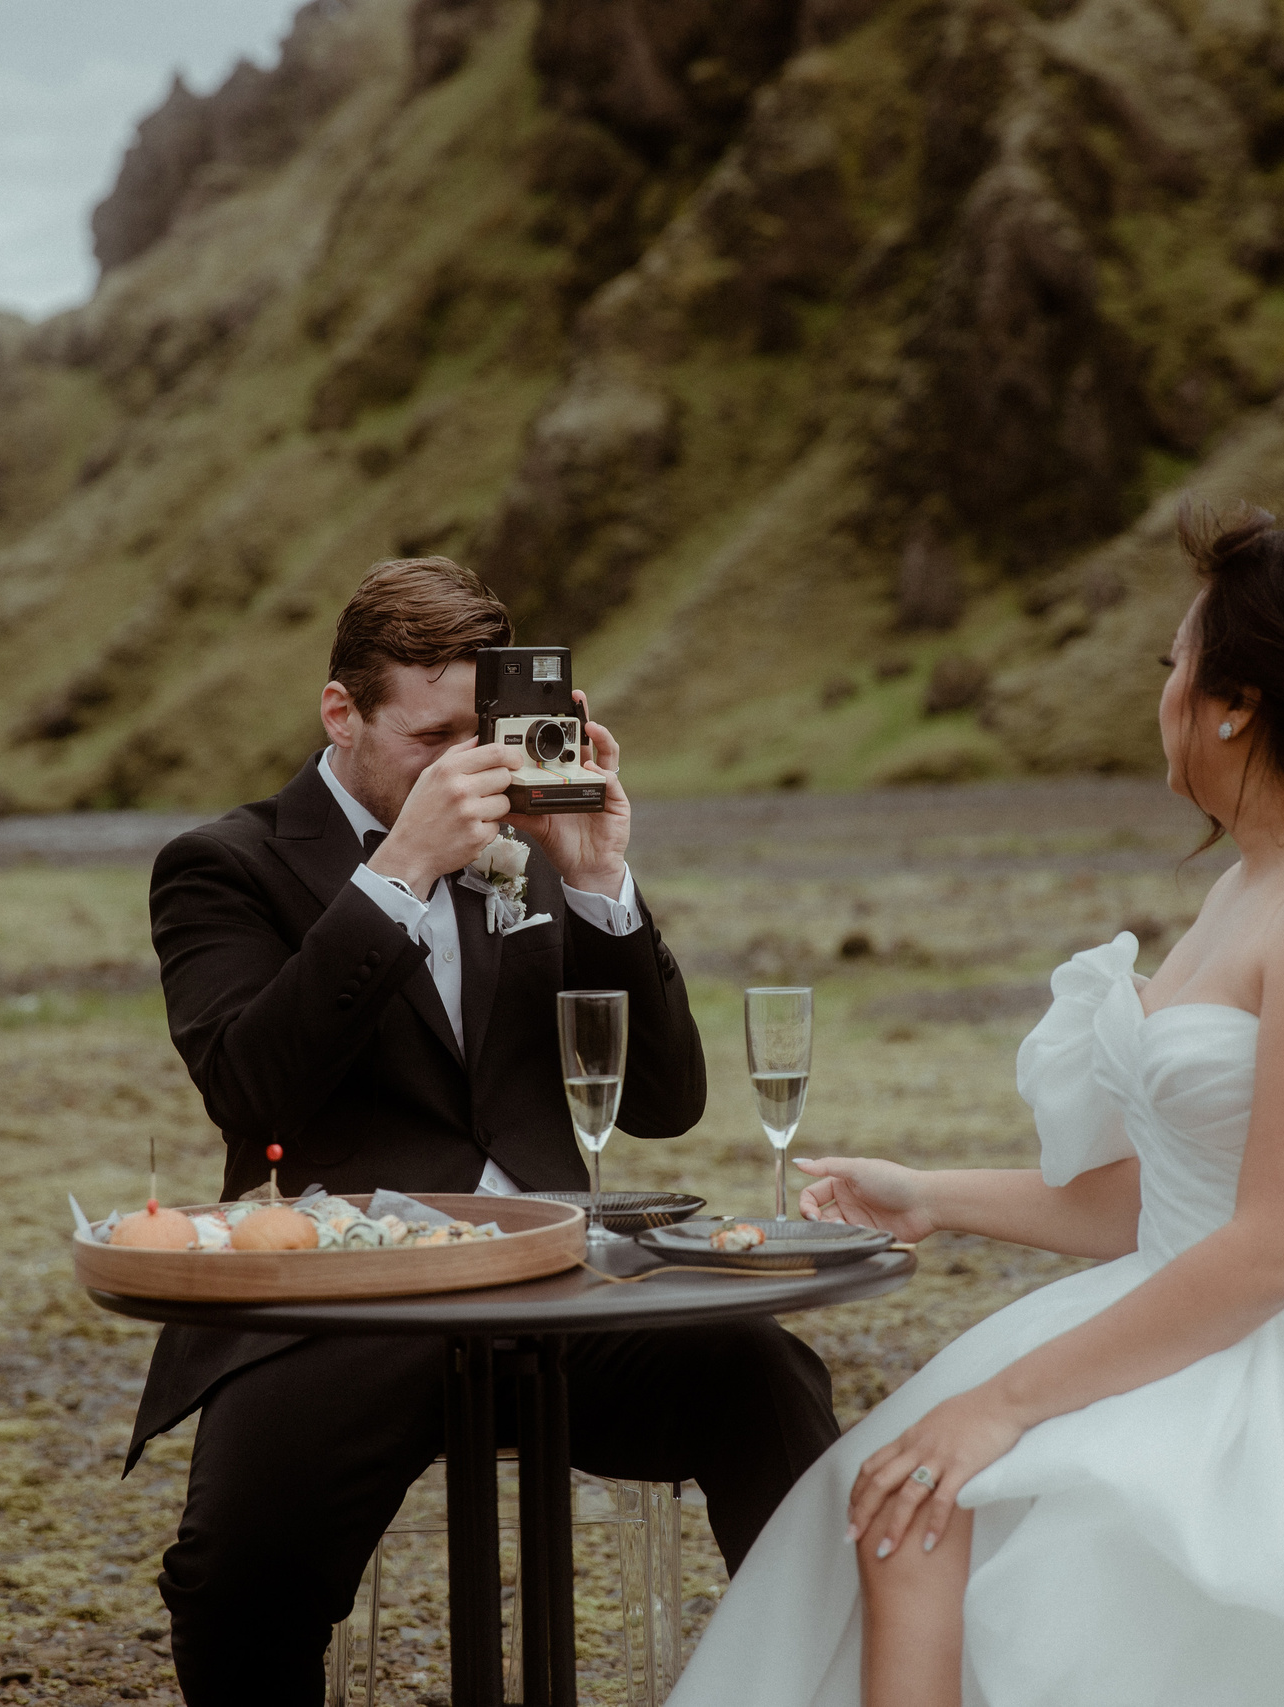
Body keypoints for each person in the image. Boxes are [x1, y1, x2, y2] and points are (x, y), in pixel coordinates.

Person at [665, 513, 1284, 1707]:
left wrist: (997, 1407)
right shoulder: (1252, 881)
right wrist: (934, 1198)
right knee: (894, 1507)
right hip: (1213, 1301)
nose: (1160, 690)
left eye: (1175, 662)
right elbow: (1177, 1201)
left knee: (929, 1502)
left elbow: (1277, 1246)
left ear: (1234, 703)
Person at [129, 556, 838, 1706]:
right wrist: (402, 869)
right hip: (346, 1309)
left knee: (762, 1375)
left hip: (560, 1287)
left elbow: (664, 1105)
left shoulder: (538, 851)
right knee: (233, 1578)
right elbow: (251, 1089)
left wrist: (603, 884)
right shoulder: (227, 865)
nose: (469, 769)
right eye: (432, 737)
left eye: (489, 736)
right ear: (339, 713)